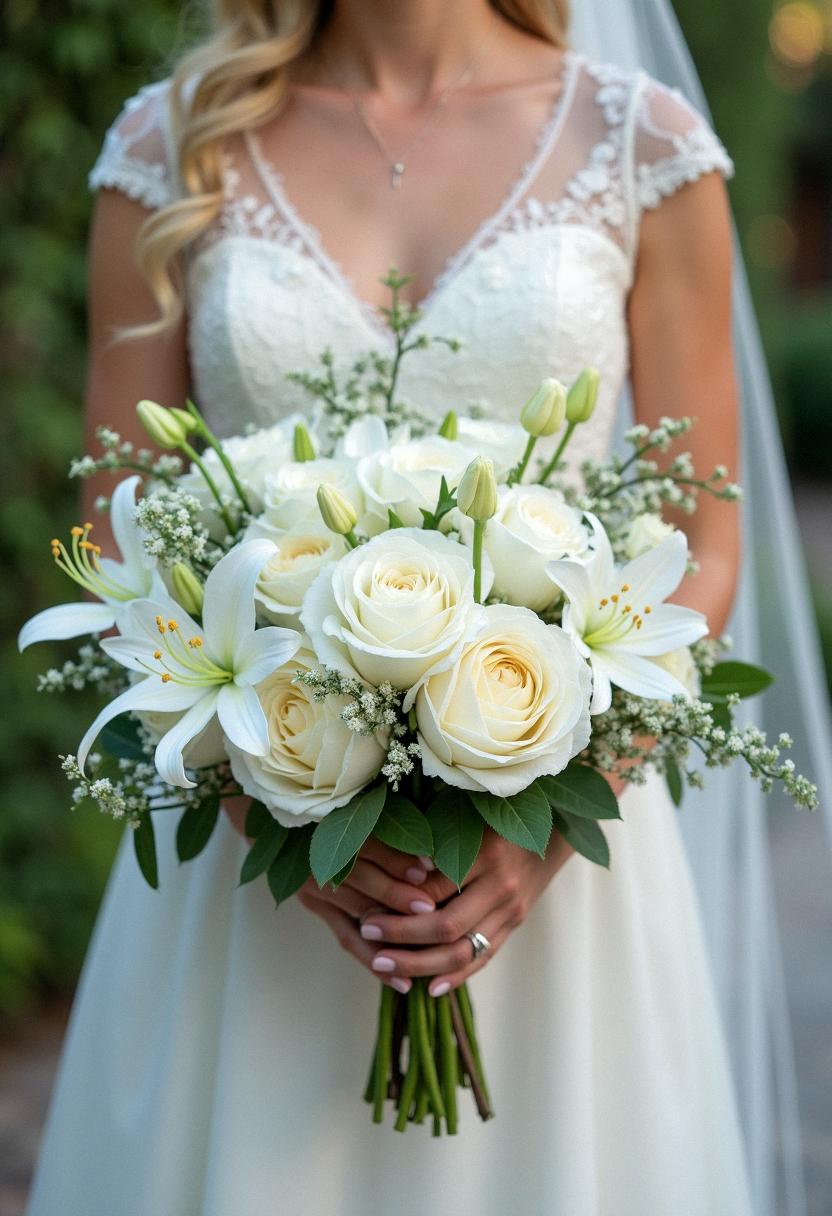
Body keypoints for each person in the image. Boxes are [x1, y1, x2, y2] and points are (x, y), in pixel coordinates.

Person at [26, 2, 763, 1212]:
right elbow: (118, 533)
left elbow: (703, 543)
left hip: (558, 871)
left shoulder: (642, 143)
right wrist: (263, 790)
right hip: (264, 853)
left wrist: (557, 825)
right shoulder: (174, 147)